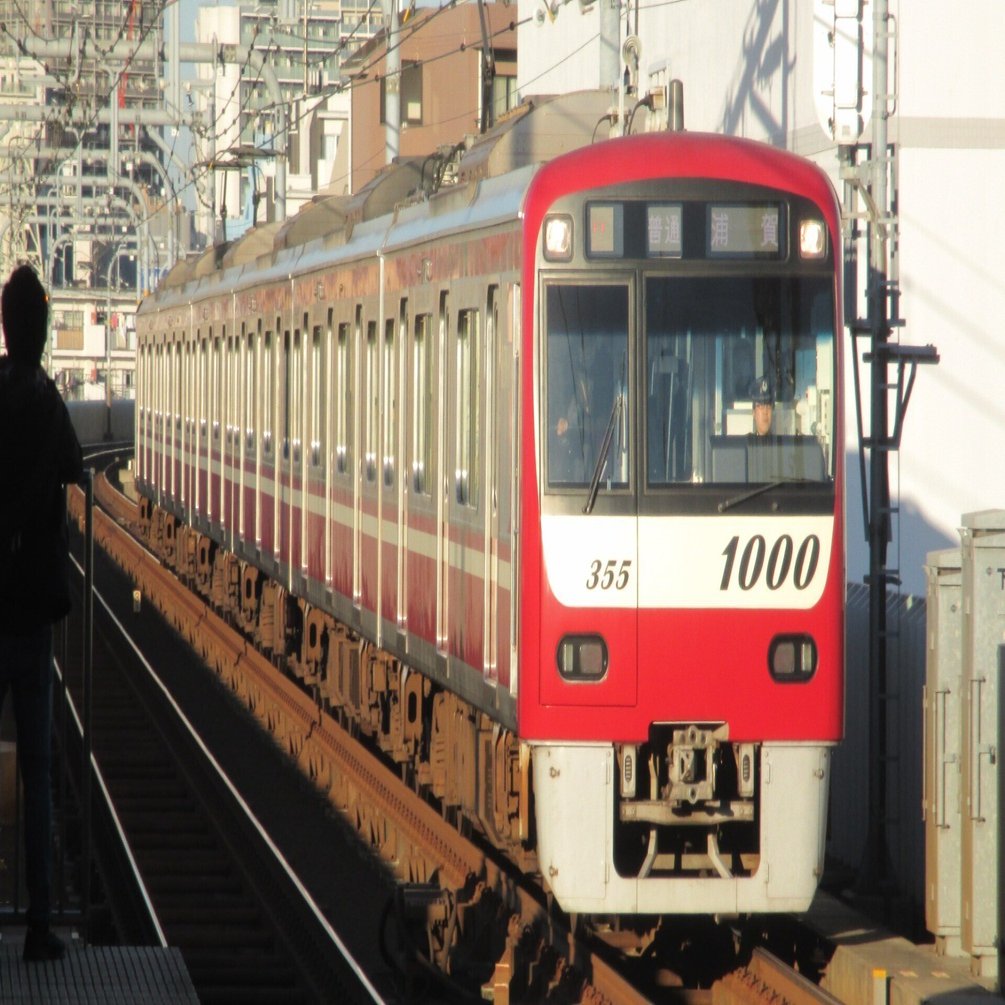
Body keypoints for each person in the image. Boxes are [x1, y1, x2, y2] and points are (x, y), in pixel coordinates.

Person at [0, 263, 82, 962]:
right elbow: (76, 468)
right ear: (42, 328)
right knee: (39, 767)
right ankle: (38, 924)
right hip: (31, 617)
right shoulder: (50, 404)